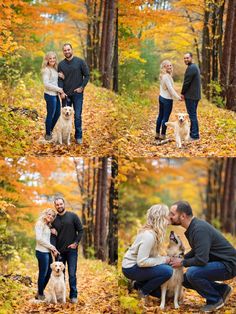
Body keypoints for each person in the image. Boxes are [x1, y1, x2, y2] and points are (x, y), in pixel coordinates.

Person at [169, 201, 236, 313]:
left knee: (192, 273)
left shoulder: (199, 229)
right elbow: (197, 251)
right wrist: (182, 258)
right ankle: (222, 290)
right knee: (184, 279)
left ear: (183, 216)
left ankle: (215, 300)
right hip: (219, 263)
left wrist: (182, 263)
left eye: (172, 214)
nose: (169, 217)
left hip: (228, 265)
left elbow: (201, 260)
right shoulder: (193, 227)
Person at [122, 204, 173, 300]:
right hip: (131, 268)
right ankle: (142, 293)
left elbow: (151, 256)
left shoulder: (154, 233)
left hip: (136, 266)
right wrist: (163, 260)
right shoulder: (148, 236)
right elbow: (141, 262)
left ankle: (137, 285)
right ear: (160, 218)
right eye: (167, 217)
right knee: (167, 271)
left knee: (166, 295)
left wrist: (165, 259)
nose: (169, 221)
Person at [51, 197, 83, 304]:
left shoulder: (73, 216)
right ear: (55, 206)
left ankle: (73, 296)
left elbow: (81, 230)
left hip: (72, 251)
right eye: (57, 205)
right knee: (60, 275)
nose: (59, 206)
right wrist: (54, 249)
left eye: (61, 204)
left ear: (64, 204)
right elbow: (53, 236)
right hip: (59, 252)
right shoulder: (54, 220)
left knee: (72, 273)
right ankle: (61, 297)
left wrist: (76, 243)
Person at [58, 43, 90, 145]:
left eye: (68, 50)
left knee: (77, 116)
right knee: (64, 116)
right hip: (65, 95)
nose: (67, 52)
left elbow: (87, 75)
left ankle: (78, 136)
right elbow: (60, 80)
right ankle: (64, 137)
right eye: (65, 50)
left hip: (77, 94)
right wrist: (61, 92)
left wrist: (82, 87)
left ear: (72, 50)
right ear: (63, 52)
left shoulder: (80, 62)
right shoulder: (61, 64)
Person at [35, 208, 59, 300]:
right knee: (43, 273)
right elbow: (39, 239)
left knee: (49, 273)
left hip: (47, 252)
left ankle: (40, 291)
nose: (51, 217)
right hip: (41, 252)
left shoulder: (47, 225)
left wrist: (52, 249)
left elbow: (47, 239)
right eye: (49, 214)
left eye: (52, 216)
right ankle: (41, 294)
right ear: (45, 214)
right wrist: (52, 247)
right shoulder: (39, 224)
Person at [41, 51, 66, 141]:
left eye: (53, 58)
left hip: (55, 95)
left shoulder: (54, 69)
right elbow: (46, 84)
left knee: (57, 114)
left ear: (55, 59)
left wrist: (60, 76)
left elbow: (55, 80)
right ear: (47, 60)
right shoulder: (46, 70)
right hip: (49, 95)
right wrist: (59, 90)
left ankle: (50, 130)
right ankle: (48, 134)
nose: (52, 60)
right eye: (50, 58)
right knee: (50, 114)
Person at [155, 60, 182, 141]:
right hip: (167, 100)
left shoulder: (163, 76)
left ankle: (157, 134)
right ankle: (162, 135)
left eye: (170, 65)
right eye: (167, 66)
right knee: (165, 118)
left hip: (161, 97)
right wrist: (178, 97)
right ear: (164, 67)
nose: (170, 67)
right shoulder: (166, 77)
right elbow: (170, 89)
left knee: (160, 116)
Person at [181, 53, 201, 141]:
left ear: (191, 58)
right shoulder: (194, 67)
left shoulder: (191, 68)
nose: (186, 59)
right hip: (195, 96)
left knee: (192, 115)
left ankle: (195, 135)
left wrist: (182, 93)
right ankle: (193, 133)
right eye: (184, 58)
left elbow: (186, 82)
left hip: (191, 96)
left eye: (187, 58)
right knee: (193, 115)